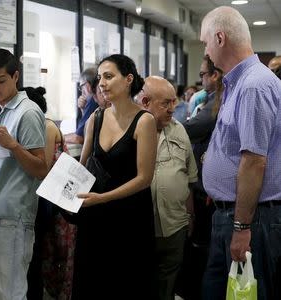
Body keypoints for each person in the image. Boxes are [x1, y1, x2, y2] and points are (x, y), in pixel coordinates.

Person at [200, 6, 281, 300]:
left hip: (250, 220)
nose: (206, 49)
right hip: (234, 215)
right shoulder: (239, 82)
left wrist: (241, 227)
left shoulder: (253, 85)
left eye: (206, 41)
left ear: (220, 38)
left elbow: (254, 161)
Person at [71, 54, 158, 299]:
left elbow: (144, 178)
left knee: (126, 284)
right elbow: (82, 167)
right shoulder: (95, 118)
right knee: (93, 283)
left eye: (109, 76)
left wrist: (103, 198)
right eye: (100, 78)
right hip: (96, 218)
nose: (102, 83)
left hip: (129, 219)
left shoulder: (144, 121)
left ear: (128, 79)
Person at [0, 48, 47, 300]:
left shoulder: (28, 112)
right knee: (4, 292)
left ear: (15, 77)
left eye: (0, 81)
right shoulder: (0, 112)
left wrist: (13, 145)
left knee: (10, 293)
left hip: (15, 215)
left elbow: (40, 168)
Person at [136, 76, 197, 300]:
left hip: (175, 224)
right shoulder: (128, 132)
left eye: (174, 102)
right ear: (145, 102)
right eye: (166, 103)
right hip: (141, 227)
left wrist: (190, 215)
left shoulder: (179, 129)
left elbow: (189, 176)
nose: (173, 108)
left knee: (168, 286)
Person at [21, 86, 76, 300]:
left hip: (53, 203)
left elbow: (40, 169)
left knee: (51, 255)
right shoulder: (49, 124)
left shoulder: (44, 126)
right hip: (57, 200)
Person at [177, 55, 223, 300]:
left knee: (203, 248)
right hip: (203, 187)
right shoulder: (208, 100)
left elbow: (189, 128)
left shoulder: (218, 102)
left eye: (204, 74)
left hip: (207, 191)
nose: (201, 78)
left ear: (215, 75)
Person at [64, 68, 98, 145]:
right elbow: (85, 130)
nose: (81, 91)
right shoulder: (94, 101)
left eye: (81, 87)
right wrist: (83, 109)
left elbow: (78, 139)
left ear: (88, 85)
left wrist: (57, 137)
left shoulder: (93, 100)